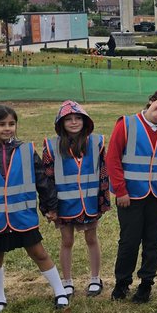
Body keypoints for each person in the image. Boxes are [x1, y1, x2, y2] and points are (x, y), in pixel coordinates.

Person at [0, 104, 64, 313]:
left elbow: (42, 182)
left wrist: (50, 208)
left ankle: (60, 291)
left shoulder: (26, 150)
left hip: (23, 217)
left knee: (39, 253)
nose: (7, 128)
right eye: (1, 124)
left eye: (11, 124)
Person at [106, 87, 157, 303]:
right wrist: (120, 190)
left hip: (156, 197)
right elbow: (113, 159)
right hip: (130, 196)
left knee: (152, 241)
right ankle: (122, 283)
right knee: (129, 241)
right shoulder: (126, 124)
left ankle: (146, 283)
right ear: (152, 100)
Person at [44, 100, 109, 299]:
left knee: (91, 238)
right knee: (67, 240)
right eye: (69, 119)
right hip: (64, 205)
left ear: (85, 120)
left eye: (78, 118)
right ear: (61, 123)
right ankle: (67, 281)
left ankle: (95, 278)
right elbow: (47, 178)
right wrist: (50, 207)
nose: (74, 122)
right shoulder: (52, 146)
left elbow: (103, 173)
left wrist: (103, 201)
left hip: (89, 204)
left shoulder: (97, 142)